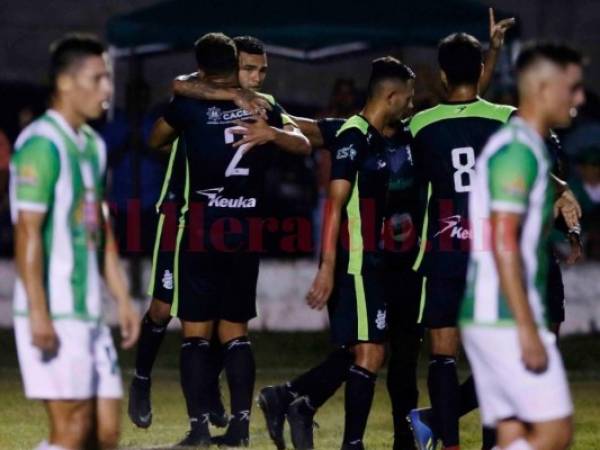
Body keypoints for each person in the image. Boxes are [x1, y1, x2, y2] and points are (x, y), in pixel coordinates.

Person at [148, 32, 310, 447]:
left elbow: (154, 138)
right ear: (233, 67)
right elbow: (304, 144)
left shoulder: (192, 104)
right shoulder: (267, 107)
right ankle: (238, 427)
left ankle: (200, 429)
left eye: (262, 70)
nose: (257, 77)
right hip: (246, 228)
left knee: (196, 335)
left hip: (203, 227)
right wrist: (272, 133)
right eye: (250, 69)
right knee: (236, 333)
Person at [259, 57, 416, 450]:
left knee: (362, 350)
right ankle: (349, 440)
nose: (412, 106)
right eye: (409, 98)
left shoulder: (378, 135)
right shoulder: (355, 136)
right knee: (370, 351)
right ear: (392, 96)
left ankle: (293, 400)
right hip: (357, 261)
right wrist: (328, 267)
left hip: (376, 262)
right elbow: (334, 201)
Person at [10, 34, 140, 450]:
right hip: (56, 310)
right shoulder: (41, 144)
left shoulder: (93, 147)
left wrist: (121, 297)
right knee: (70, 433)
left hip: (89, 313)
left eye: (109, 79)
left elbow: (98, 226)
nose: (108, 89)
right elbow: (27, 231)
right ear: (66, 83)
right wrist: (38, 312)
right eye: (98, 78)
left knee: (104, 434)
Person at [460, 42, 585, 450]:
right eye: (573, 87)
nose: (580, 98)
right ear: (544, 88)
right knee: (554, 432)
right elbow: (503, 241)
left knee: (513, 434)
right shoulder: (517, 152)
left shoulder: (526, 147)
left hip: (492, 315)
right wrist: (527, 328)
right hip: (503, 318)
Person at [407, 30, 516, 450]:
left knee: (442, 355)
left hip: (445, 251)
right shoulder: (508, 119)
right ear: (483, 70)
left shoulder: (420, 124)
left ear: (442, 74)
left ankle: (448, 443)